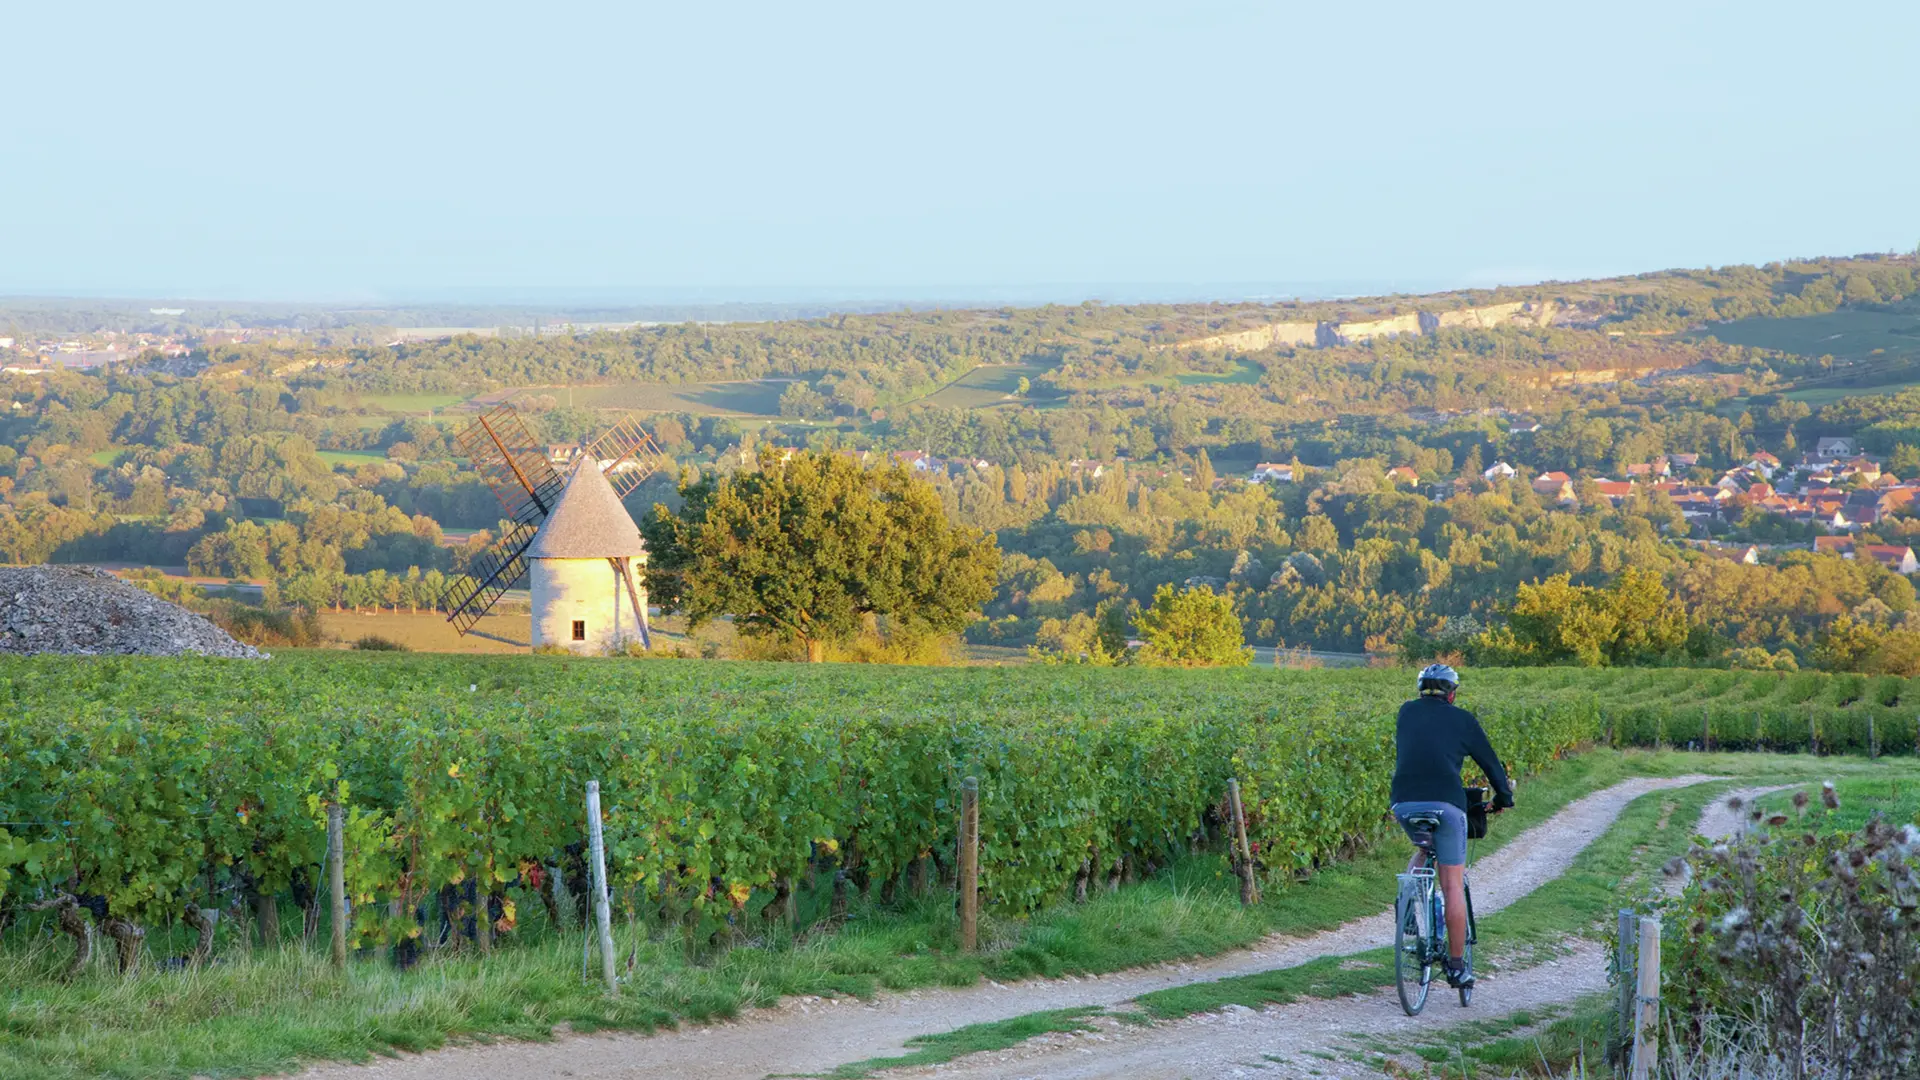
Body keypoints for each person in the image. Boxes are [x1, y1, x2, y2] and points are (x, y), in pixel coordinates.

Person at [1390, 663, 1514, 989]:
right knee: (1452, 885)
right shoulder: (1462, 719)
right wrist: (1503, 799)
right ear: (1452, 694)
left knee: (1423, 848)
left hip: (1403, 803)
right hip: (1447, 804)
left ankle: (1407, 905)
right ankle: (1457, 967)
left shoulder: (1406, 712)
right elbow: (1490, 764)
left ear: (1421, 691)